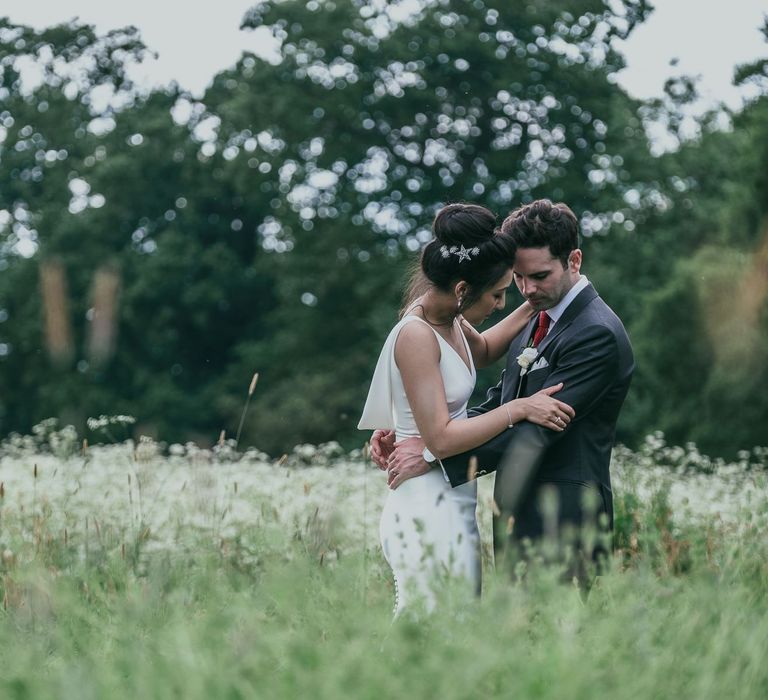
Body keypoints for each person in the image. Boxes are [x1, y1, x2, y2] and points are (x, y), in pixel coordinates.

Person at [377, 199, 634, 585]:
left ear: (574, 261)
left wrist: (433, 455)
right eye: (519, 278)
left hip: (564, 515)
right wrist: (421, 434)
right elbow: (501, 402)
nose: (528, 290)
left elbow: (536, 431)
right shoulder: (539, 315)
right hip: (519, 513)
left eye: (541, 276)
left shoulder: (595, 333)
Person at [359, 203, 575, 616]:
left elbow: (486, 349)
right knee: (430, 628)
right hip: (425, 501)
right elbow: (440, 439)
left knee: (453, 627)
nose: (500, 303)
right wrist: (519, 408)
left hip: (452, 495)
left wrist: (541, 297)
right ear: (462, 290)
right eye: (498, 294)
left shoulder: (449, 320)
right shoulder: (417, 334)